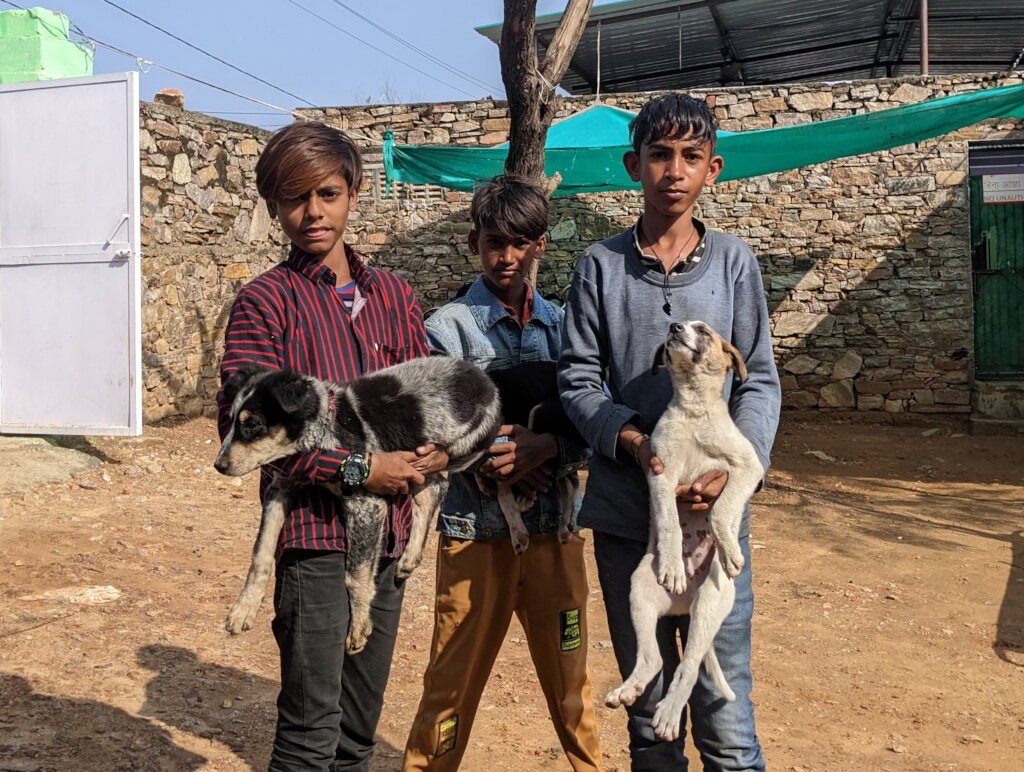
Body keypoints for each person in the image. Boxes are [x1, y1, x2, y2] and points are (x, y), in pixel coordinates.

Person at [558, 94, 781, 770]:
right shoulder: (600, 267)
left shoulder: (735, 264)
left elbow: (759, 380)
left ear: (713, 168)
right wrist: (637, 446)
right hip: (631, 518)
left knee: (725, 712)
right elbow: (578, 381)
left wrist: (731, 476)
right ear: (635, 165)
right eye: (659, 155)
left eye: (690, 156)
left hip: (716, 524)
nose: (674, 171)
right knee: (650, 713)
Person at [216, 121, 447, 772]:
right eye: (294, 198)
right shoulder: (265, 304)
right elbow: (243, 430)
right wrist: (358, 468)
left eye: (327, 193)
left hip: (388, 540)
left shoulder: (394, 296)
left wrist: (437, 452)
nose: (312, 211)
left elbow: (425, 393)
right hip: (314, 541)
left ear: (354, 193)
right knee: (309, 733)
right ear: (273, 206)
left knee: (357, 733)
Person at [403, 175, 603, 772]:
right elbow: (429, 431)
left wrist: (550, 451)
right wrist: (501, 460)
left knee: (573, 684)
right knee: (451, 684)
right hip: (475, 534)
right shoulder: (445, 330)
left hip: (556, 533)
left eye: (520, 242)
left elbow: (595, 418)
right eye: (495, 242)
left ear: (540, 243)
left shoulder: (567, 327)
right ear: (475, 243)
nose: (507, 256)